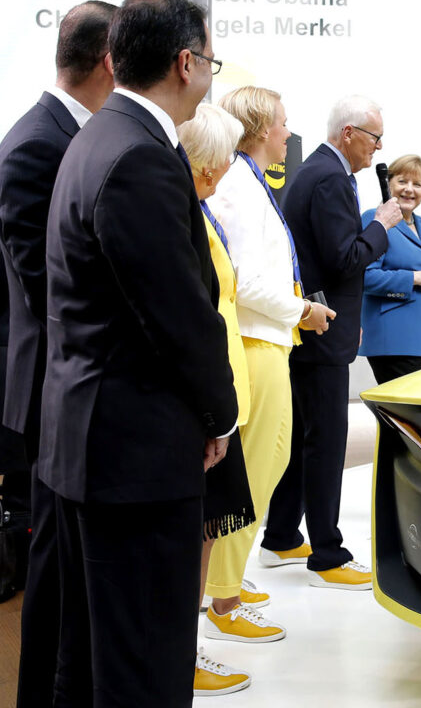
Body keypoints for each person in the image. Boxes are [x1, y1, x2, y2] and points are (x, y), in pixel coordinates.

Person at [40, 0, 239, 706]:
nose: (212, 73)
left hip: (90, 439)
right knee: (144, 663)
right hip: (134, 454)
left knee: (92, 657)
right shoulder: (140, 157)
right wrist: (219, 416)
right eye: (212, 59)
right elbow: (179, 315)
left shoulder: (95, 137)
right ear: (186, 63)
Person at [0, 0, 115, 708]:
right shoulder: (37, 144)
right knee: (52, 563)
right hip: (54, 384)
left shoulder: (66, 136)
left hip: (70, 381)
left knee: (67, 563)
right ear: (110, 61)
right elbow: (44, 285)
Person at [205, 87, 333, 636]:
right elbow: (246, 280)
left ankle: (224, 582)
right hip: (258, 339)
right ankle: (220, 595)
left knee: (266, 464)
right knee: (254, 470)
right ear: (259, 129)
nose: (288, 133)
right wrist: (301, 308)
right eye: (282, 124)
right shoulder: (236, 183)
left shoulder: (247, 182)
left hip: (269, 339)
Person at [265, 95, 402, 590]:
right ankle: (328, 553)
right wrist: (381, 226)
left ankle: (281, 534)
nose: (378, 147)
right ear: (348, 134)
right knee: (326, 442)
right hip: (319, 333)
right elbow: (346, 258)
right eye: (374, 137)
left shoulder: (320, 173)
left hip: (320, 325)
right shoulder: (329, 178)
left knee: (308, 437)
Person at [177, 103, 257, 695]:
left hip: (220, 387)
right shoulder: (190, 216)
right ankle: (186, 654)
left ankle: (191, 648)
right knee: (195, 536)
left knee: (206, 530)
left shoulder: (201, 213)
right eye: (228, 155)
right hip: (204, 395)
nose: (233, 165)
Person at [360, 155, 421, 382]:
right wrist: (414, 278)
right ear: (389, 183)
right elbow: (365, 277)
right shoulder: (373, 219)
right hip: (396, 340)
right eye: (402, 181)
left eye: (417, 184)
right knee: (408, 414)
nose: (409, 190)